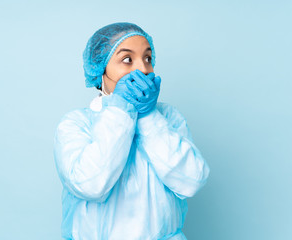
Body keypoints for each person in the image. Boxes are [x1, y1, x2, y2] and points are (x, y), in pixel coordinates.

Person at [53, 22, 210, 240]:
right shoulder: (76, 124)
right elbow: (91, 184)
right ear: (101, 70)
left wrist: (148, 117)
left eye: (148, 59)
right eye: (127, 60)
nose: (143, 69)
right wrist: (120, 110)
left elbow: (191, 181)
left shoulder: (168, 118)